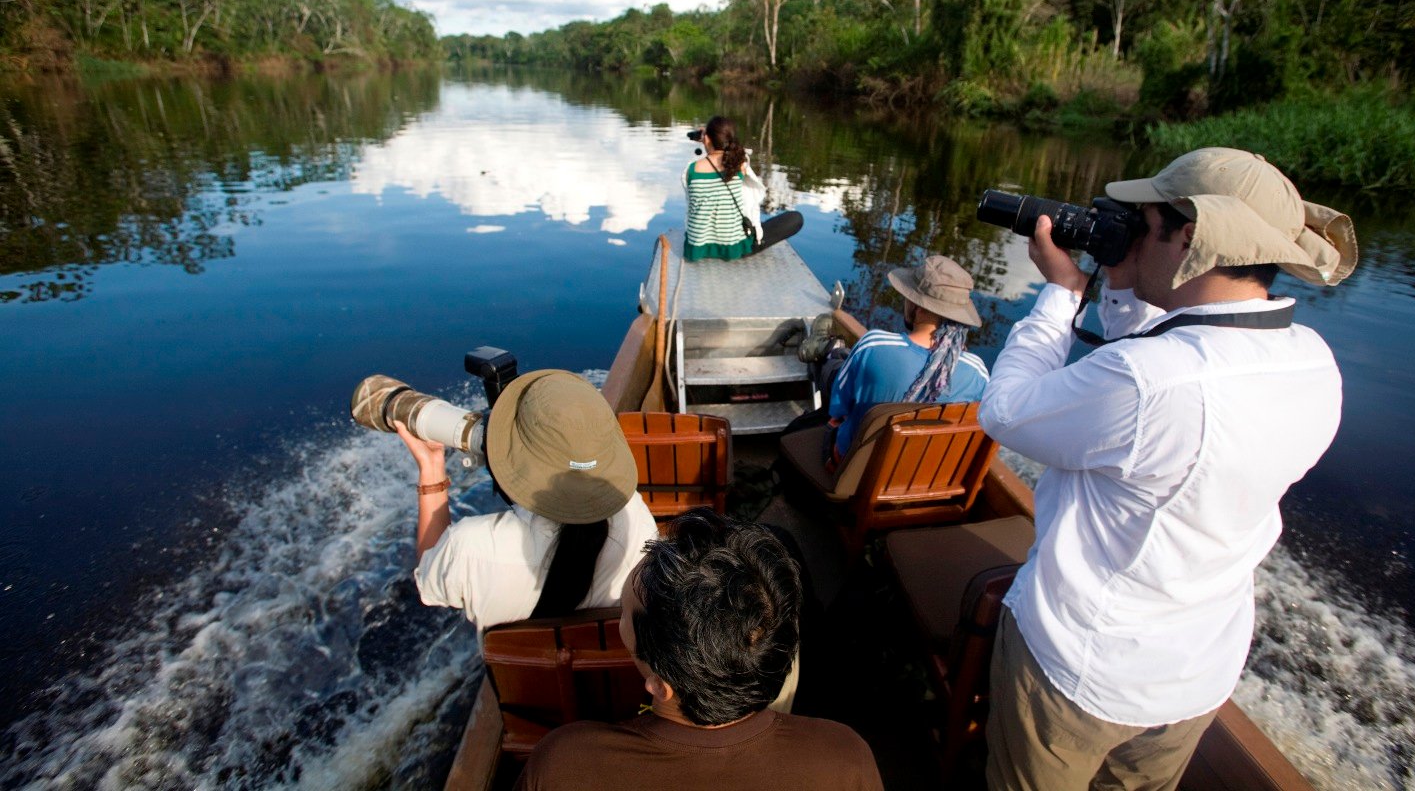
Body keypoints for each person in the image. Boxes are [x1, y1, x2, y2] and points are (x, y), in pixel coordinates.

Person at [976, 148, 1357, 791]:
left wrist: (1061, 295)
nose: (1129, 231)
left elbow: (1006, 411)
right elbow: (1169, 357)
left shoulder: (1150, 383)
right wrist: (1126, 289)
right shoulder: (1313, 362)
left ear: (1189, 234)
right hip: (1195, 675)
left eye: (1144, 219)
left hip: (1082, 671)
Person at [516, 508, 883, 791]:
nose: (619, 621)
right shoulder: (844, 757)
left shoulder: (565, 764)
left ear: (662, 686)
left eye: (624, 613)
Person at [394, 369, 658, 632]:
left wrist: (431, 467)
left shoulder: (469, 546)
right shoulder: (637, 518)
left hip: (516, 675)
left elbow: (428, 577)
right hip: (602, 669)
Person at [823, 254, 988, 460]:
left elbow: (838, 409)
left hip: (853, 472)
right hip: (923, 481)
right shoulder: (977, 373)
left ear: (916, 307)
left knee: (831, 367)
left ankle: (827, 350)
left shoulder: (873, 345)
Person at [682, 115, 801, 261]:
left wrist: (706, 142)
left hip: (696, 248)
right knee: (796, 218)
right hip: (733, 248)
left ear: (706, 139)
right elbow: (739, 154)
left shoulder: (691, 169)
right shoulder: (740, 166)